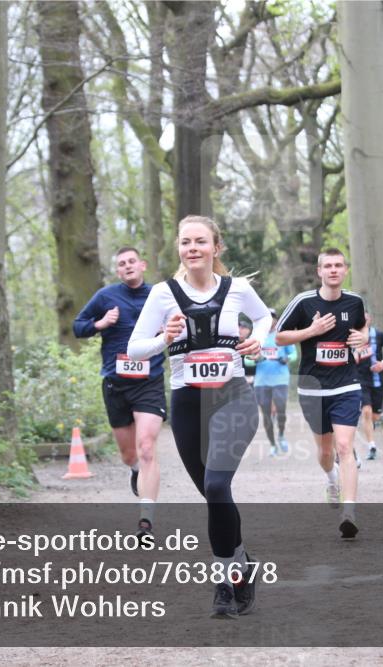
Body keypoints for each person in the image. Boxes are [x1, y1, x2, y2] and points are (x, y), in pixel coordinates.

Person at [128, 215, 272, 619]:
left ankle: (223, 583)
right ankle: (242, 563)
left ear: (216, 248)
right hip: (188, 404)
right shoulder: (162, 294)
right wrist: (164, 339)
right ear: (179, 248)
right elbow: (135, 348)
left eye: (201, 241)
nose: (193, 248)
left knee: (215, 482)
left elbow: (264, 318)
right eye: (186, 242)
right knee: (215, 494)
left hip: (233, 398)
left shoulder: (238, 289)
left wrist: (258, 339)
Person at [73, 247, 166, 540]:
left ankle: (145, 523)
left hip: (149, 382)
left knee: (148, 447)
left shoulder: (160, 296)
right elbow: (77, 326)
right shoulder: (106, 297)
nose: (127, 267)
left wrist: (170, 330)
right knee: (129, 454)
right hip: (116, 383)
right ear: (118, 271)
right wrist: (100, 324)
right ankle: (135, 469)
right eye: (121, 264)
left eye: (131, 262)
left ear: (143, 264)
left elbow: (184, 326)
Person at [276, 248, 367, 540]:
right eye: (327, 266)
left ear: (345, 270)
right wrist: (311, 331)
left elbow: (362, 329)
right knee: (326, 452)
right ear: (319, 271)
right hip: (313, 387)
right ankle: (331, 479)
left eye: (338, 265)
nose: (333, 270)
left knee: (344, 447)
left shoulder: (354, 302)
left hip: (346, 384)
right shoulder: (303, 303)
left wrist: (363, 338)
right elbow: (279, 336)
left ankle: (349, 513)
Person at [252, 309, 295, 457]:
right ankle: (272, 444)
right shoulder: (257, 336)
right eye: (267, 318)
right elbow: (247, 359)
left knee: (281, 409)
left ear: (276, 320)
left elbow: (294, 354)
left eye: (273, 318)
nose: (270, 320)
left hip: (280, 379)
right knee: (266, 415)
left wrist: (286, 359)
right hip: (261, 381)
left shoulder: (282, 335)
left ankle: (281, 435)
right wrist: (256, 359)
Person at [354, 313, 383, 460]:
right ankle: (372, 446)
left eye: (365, 318)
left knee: (375, 416)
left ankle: (370, 425)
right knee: (366, 412)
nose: (363, 321)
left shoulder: (378, 335)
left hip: (377, 379)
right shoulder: (353, 336)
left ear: (370, 319)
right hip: (360, 379)